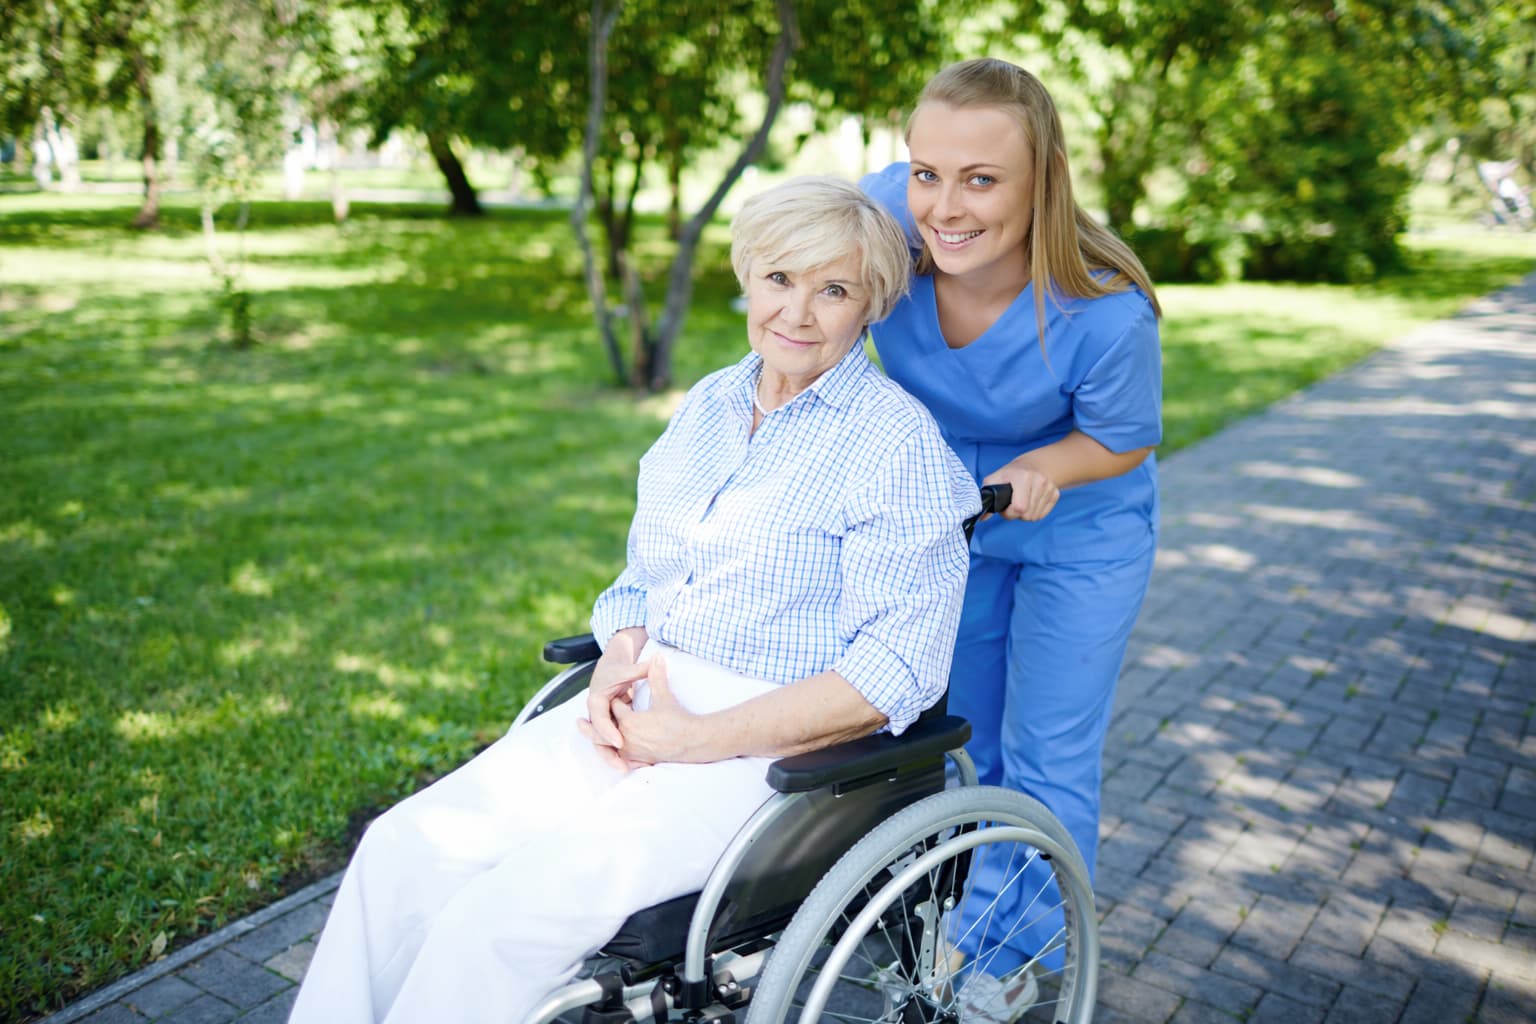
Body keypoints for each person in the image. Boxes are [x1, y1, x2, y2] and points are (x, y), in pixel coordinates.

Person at [287, 175, 980, 1024]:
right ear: (747, 278)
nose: (797, 313)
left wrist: (697, 740)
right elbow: (644, 578)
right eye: (779, 279)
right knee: (400, 851)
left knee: (499, 921)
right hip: (641, 704)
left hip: (775, 755)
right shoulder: (711, 405)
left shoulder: (893, 443)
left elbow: (889, 675)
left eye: (832, 289)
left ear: (869, 304)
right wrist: (618, 659)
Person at [861, 57, 1163, 1017]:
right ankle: (978, 913)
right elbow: (793, 276)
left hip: (1079, 531)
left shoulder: (1106, 309)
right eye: (927, 171)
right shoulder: (884, 218)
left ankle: (1007, 952)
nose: (943, 205)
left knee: (1047, 750)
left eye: (981, 179)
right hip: (953, 515)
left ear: (1043, 183)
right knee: (972, 737)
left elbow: (1124, 438)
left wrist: (1049, 467)